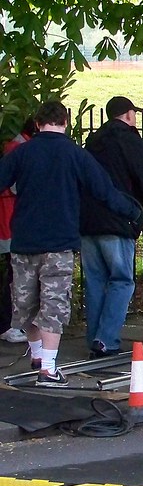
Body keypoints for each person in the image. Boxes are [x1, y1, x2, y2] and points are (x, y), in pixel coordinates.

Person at [0, 101, 142, 387]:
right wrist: (133, 211)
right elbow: (104, 191)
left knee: (26, 304)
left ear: (38, 123)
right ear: (65, 122)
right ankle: (49, 369)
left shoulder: (22, 153)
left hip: (24, 242)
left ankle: (38, 356)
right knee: (53, 305)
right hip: (58, 243)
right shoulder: (75, 155)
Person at [80, 96, 143, 357]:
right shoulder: (130, 141)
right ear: (129, 115)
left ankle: (94, 337)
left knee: (95, 281)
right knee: (121, 280)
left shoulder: (92, 143)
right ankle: (107, 339)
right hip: (118, 221)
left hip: (87, 222)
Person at [0, 118, 36, 344]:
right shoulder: (21, 150)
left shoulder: (14, 148)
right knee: (14, 276)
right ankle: (9, 324)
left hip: (10, 217)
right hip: (10, 218)